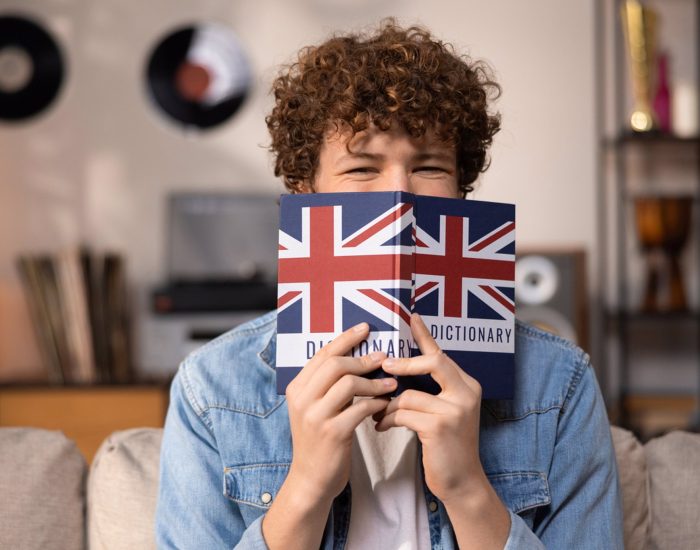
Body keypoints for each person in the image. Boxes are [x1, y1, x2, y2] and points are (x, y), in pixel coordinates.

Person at [155, 20, 623, 549]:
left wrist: (467, 489)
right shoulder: (212, 389)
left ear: (461, 193)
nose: (400, 195)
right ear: (306, 192)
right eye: (361, 168)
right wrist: (306, 486)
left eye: (429, 166)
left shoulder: (558, 384)